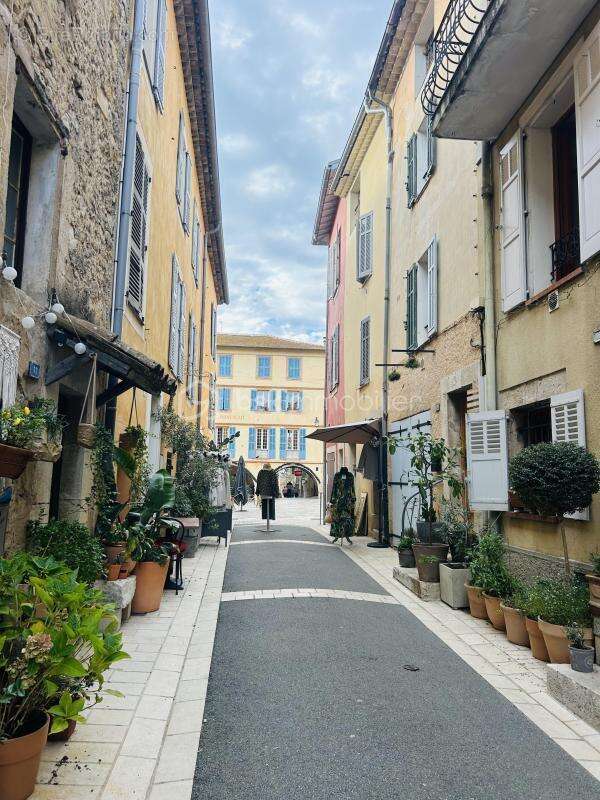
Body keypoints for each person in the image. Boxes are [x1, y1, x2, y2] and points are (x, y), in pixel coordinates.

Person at [330, 466, 355, 545]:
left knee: (347, 520)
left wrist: (353, 498)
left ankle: (347, 535)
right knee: (337, 519)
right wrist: (332, 500)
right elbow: (334, 488)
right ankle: (337, 535)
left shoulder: (350, 476)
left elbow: (352, 488)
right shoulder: (337, 475)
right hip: (337, 501)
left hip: (347, 502)